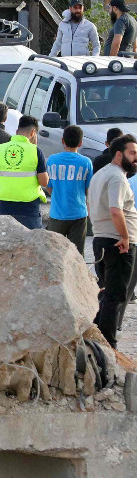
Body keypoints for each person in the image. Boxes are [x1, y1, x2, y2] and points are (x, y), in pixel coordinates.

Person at [87, 134, 137, 348]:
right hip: (117, 243)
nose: (136, 158)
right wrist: (125, 237)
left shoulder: (101, 174)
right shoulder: (117, 176)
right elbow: (116, 210)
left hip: (102, 239)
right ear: (119, 154)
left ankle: (94, 337)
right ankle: (108, 346)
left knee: (108, 293)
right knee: (115, 296)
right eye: (132, 153)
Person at [0, 114, 48, 230]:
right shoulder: (35, 151)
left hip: (5, 206)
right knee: (30, 245)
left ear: (17, 131)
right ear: (33, 133)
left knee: (7, 244)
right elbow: (44, 182)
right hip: (29, 209)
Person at [46, 124, 93, 255]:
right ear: (81, 143)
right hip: (79, 213)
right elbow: (88, 188)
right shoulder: (86, 162)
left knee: (55, 254)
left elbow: (48, 185)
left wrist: (56, 195)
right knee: (77, 255)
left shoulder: (52, 160)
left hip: (57, 213)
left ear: (63, 141)